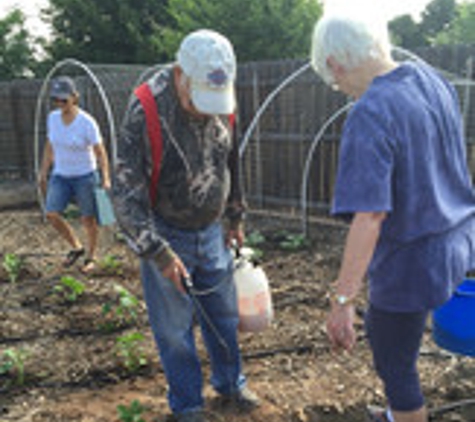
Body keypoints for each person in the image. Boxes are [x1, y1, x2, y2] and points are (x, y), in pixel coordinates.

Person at [310, 12, 475, 422]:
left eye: (335, 83)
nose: (343, 92)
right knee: (415, 343)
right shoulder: (432, 81)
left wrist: (343, 300)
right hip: (459, 243)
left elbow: (370, 216)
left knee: (396, 365)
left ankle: (403, 414)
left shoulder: (371, 112)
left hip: (410, 264)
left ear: (335, 63)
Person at [112, 29, 259, 422]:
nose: (205, 110)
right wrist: (157, 253)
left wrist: (235, 215)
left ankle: (231, 384)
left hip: (212, 228)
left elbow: (233, 160)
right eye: (198, 100)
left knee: (224, 315)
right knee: (174, 329)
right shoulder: (145, 108)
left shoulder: (220, 95)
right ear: (180, 74)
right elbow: (126, 194)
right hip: (166, 230)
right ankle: (188, 406)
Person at [38, 76, 111, 273]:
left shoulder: (87, 122)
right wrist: (43, 171)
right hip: (60, 174)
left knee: (88, 219)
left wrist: (105, 177)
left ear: (74, 97)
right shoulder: (52, 118)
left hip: (85, 175)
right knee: (52, 213)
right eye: (56, 99)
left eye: (64, 99)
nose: (60, 103)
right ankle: (77, 247)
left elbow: (100, 152)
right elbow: (49, 145)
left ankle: (91, 256)